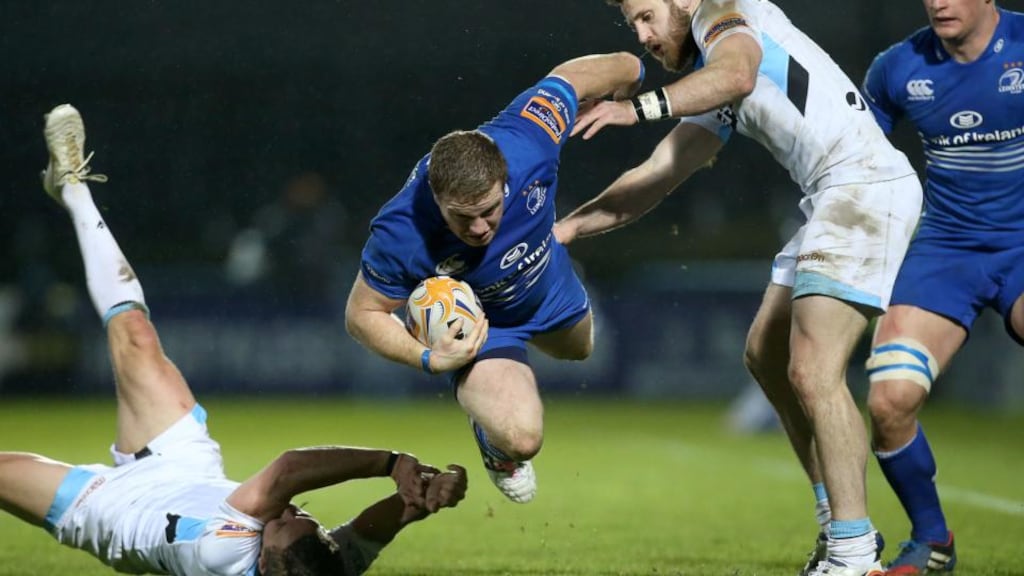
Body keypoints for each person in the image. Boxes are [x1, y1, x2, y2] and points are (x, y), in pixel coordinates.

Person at [0, 103, 468, 576]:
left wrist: (390, 464)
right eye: (308, 519)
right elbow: (371, 532)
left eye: (286, 521)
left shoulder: (222, 554)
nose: (291, 510)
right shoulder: (311, 566)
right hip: (185, 464)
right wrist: (424, 496)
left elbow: (286, 470)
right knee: (136, 335)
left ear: (264, 563)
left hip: (107, 511)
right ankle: (72, 188)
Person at [553, 1, 925, 574]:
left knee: (814, 370)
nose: (644, 35)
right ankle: (838, 525)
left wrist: (639, 108)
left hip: (864, 187)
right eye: (634, 24)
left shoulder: (722, 13)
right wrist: (567, 228)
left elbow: (738, 72)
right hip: (834, 197)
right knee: (767, 356)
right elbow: (659, 173)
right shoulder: (712, 71)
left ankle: (854, 552)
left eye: (647, 15)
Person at [344, 52, 644, 504]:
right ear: (437, 199)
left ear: (505, 180)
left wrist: (632, 82)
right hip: (482, 324)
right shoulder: (401, 230)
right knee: (522, 438)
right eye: (462, 218)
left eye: (490, 210)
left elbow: (588, 72)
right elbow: (361, 314)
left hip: (548, 281)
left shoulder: (530, 136)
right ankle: (494, 445)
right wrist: (428, 359)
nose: (481, 228)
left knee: (580, 349)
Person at [861, 1, 1023, 573]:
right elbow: (861, 160)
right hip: (945, 250)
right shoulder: (897, 68)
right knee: (888, 400)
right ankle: (932, 540)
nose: (938, 2)